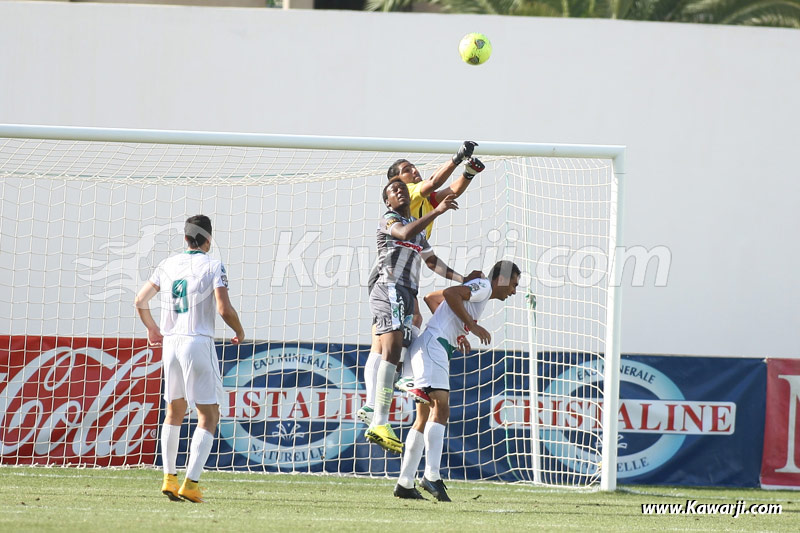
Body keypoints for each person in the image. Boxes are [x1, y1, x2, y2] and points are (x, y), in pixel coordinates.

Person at [359, 141, 485, 424]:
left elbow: (447, 192)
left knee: (403, 332)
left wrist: (468, 175)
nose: (413, 173)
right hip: (390, 275)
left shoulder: (419, 207)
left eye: (413, 169)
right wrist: (457, 159)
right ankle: (375, 405)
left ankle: (401, 382)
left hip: (408, 273)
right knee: (386, 341)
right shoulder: (407, 195)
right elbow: (433, 184)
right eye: (406, 171)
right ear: (393, 187)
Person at [134, 214, 245, 503]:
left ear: (184, 239)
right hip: (198, 341)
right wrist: (239, 330)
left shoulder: (167, 264)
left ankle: (168, 478)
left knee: (174, 411)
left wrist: (152, 329)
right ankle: (191, 483)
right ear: (209, 239)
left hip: (170, 344)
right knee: (209, 415)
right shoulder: (213, 265)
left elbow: (140, 301)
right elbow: (223, 308)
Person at [393, 260, 521, 501]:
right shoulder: (483, 285)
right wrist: (471, 326)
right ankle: (431, 475)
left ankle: (405, 482)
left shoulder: (479, 291)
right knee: (441, 409)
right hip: (434, 347)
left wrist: (459, 329)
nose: (513, 291)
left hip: (432, 346)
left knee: (423, 417)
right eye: (513, 284)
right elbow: (451, 293)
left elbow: (432, 298)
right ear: (501, 279)